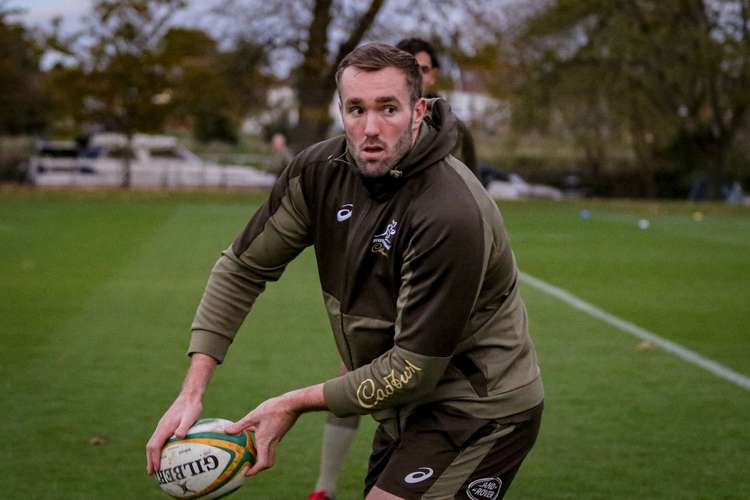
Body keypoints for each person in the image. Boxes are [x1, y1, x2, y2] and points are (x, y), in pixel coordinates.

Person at [146, 42, 543, 500]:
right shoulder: (318, 173)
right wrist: (192, 390)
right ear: (341, 110)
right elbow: (242, 268)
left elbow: (413, 369)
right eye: (356, 109)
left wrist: (290, 403)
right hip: (402, 407)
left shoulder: (448, 212)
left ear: (418, 111)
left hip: (480, 407)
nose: (370, 128)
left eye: (387, 108)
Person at [310, 37, 482, 500]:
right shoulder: (364, 144)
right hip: (378, 274)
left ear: (430, 83)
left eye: (426, 68)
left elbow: (462, 195)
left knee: (413, 374)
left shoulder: (454, 139)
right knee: (359, 373)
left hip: (432, 266)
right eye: (358, 108)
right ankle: (325, 485)